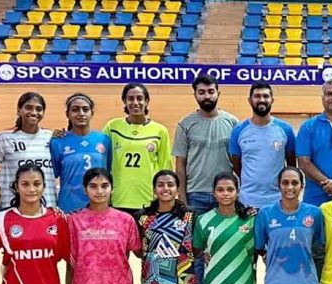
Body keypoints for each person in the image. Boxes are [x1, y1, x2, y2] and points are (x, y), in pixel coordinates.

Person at [68, 168, 141, 284]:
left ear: (112, 189)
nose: (99, 191)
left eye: (104, 186)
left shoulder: (126, 220)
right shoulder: (73, 221)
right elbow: (70, 267)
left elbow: (134, 252)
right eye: (93, 186)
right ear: (85, 190)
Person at [254, 166, 325, 284]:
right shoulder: (265, 214)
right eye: (285, 182)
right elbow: (260, 246)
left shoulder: (314, 213)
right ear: (278, 185)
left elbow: (319, 242)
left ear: (302, 186)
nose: (290, 187)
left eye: (295, 183)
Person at [192, 173, 259, 284]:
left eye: (230, 189)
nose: (225, 194)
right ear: (214, 193)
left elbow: (261, 248)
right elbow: (196, 250)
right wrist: (206, 253)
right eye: (220, 190)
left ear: (238, 192)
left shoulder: (251, 218)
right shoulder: (203, 220)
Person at [136, 170, 200, 284]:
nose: (166, 188)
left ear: (178, 189)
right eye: (161, 185)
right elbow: (139, 250)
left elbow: (197, 247)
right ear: (154, 189)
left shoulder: (191, 215)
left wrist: (182, 260)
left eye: (170, 185)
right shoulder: (142, 217)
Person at [104, 83, 172, 215]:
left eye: (140, 98)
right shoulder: (112, 127)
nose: (135, 102)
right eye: (130, 98)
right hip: (119, 198)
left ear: (146, 101)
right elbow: (101, 157)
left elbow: (165, 167)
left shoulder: (160, 131)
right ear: (124, 101)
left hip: (148, 200)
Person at [175, 75, 239, 213]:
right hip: (195, 195)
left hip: (225, 193)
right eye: (201, 92)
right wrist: (182, 197)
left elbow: (239, 162)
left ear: (218, 93)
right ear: (195, 95)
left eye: (211, 91)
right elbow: (180, 165)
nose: (207, 96)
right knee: (195, 235)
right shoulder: (185, 124)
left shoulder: (233, 123)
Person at [230, 82, 296, 210]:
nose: (261, 100)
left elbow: (291, 166)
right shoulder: (238, 130)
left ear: (272, 100)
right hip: (247, 200)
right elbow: (237, 165)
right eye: (257, 96)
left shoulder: (285, 129)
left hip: (278, 200)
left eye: (266, 96)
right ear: (250, 100)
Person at [50, 93, 111, 213]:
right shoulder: (57, 141)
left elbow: (107, 171)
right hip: (69, 206)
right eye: (75, 110)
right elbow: (54, 173)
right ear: (67, 114)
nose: (81, 114)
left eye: (85, 109)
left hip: (99, 205)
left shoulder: (104, 140)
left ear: (92, 113)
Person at [0, 92, 56, 209]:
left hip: (47, 204)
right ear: (19, 110)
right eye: (28, 107)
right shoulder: (4, 137)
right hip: (12, 204)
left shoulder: (51, 137)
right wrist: (0, 177)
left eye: (39, 109)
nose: (34, 112)